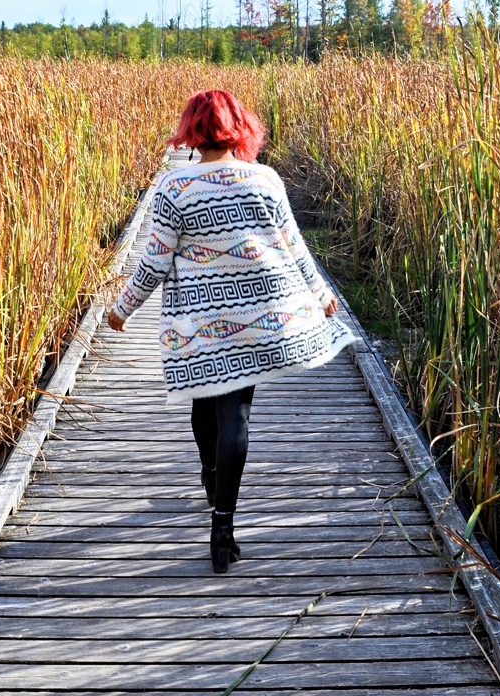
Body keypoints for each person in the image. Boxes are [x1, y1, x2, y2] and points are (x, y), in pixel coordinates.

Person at [107, 90, 354, 573]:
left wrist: (122, 310)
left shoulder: (175, 187)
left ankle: (213, 483)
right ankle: (223, 523)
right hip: (258, 317)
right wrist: (322, 295)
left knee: (207, 402)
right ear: (239, 126)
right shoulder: (265, 179)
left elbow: (155, 262)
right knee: (234, 409)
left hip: (199, 322)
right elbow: (295, 246)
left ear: (192, 131)